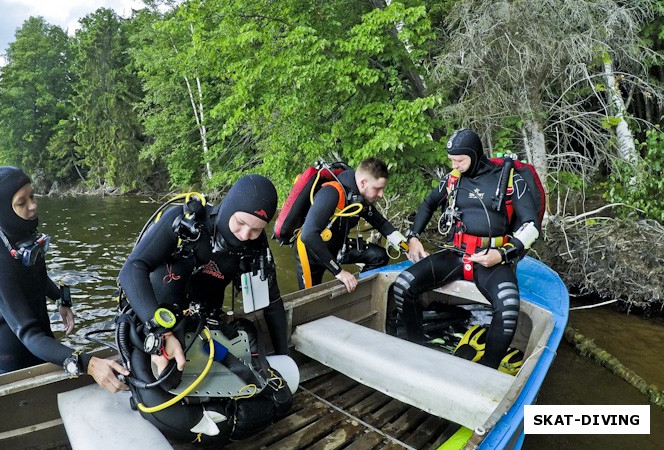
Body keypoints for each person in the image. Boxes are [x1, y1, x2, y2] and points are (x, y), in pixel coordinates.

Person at [116, 174, 291, 444]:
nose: (245, 235)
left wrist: (283, 358)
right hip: (154, 320)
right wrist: (159, 330)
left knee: (265, 392)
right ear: (229, 208)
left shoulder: (255, 247)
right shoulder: (184, 223)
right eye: (241, 222)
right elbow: (132, 269)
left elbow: (272, 303)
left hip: (205, 326)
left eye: (256, 229)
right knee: (164, 391)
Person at [393, 128, 540, 369]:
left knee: (509, 308)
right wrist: (414, 237)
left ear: (475, 154)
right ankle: (416, 348)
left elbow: (531, 226)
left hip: (492, 259)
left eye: (460, 160)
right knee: (402, 285)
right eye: (451, 161)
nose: (455, 165)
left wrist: (503, 254)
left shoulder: (511, 179)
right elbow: (429, 203)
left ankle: (488, 370)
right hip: (456, 254)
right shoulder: (453, 179)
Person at [0, 166, 129, 393]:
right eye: (22, 202)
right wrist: (89, 363)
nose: (33, 205)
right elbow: (27, 332)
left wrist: (62, 299)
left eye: (32, 196)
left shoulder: (23, 238)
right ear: (2, 210)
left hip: (41, 340)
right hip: (13, 353)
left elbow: (37, 277)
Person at [296, 157, 407, 293]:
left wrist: (407, 247)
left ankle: (360, 294)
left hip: (337, 246)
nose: (381, 194)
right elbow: (308, 235)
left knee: (379, 256)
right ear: (363, 182)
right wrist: (339, 272)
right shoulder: (331, 193)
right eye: (377, 189)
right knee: (309, 299)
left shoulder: (360, 199)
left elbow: (381, 223)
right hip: (312, 252)